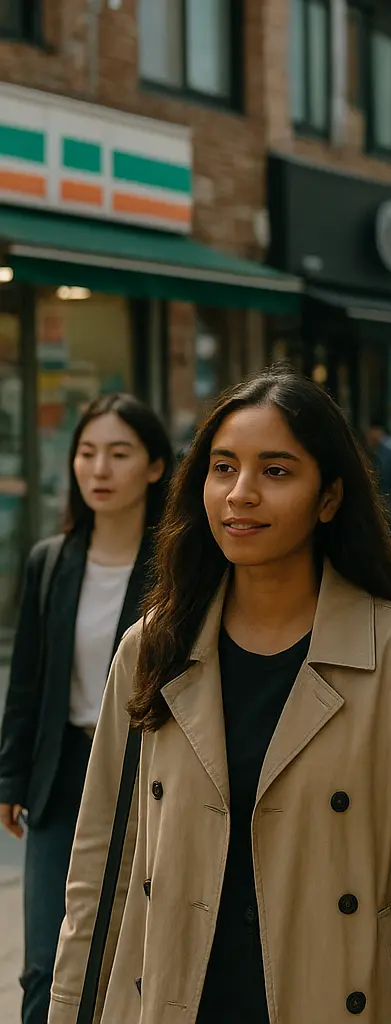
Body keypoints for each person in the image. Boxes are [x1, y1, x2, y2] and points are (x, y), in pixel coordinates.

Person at [48, 369, 391, 1024]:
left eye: (276, 472)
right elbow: (97, 876)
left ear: (330, 497)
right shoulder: (152, 650)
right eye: (223, 468)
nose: (241, 494)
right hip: (170, 999)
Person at [0, 394, 171, 1024]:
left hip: (144, 774)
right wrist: (10, 778)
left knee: (133, 955)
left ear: (155, 467)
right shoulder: (52, 561)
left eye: (119, 454)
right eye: (87, 453)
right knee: (46, 959)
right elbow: (28, 685)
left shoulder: (174, 567)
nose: (99, 469)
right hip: (60, 772)